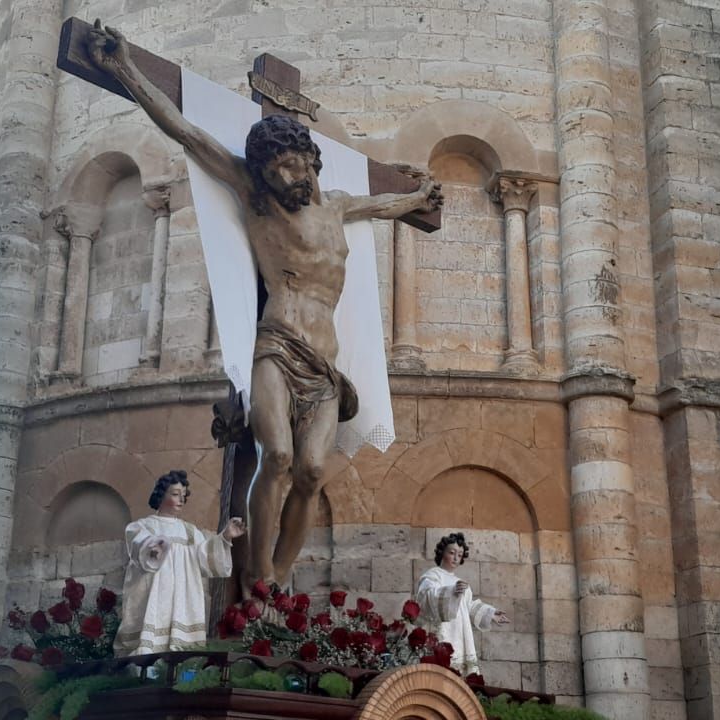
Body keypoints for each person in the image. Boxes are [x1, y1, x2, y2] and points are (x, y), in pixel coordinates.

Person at [88, 22, 442, 593]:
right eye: (273, 171)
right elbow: (187, 132)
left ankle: (276, 581)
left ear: (310, 161)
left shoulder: (340, 208)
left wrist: (421, 197)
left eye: (293, 166)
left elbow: (388, 203)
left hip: (326, 370)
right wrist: (124, 68)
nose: (284, 178)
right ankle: (255, 571)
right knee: (275, 456)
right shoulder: (258, 200)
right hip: (276, 345)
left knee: (311, 472)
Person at [113, 470, 246, 656]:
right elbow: (139, 545)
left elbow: (206, 558)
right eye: (175, 494)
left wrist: (225, 537)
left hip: (184, 596)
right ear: (161, 495)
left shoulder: (190, 532)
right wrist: (152, 548)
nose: (181, 499)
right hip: (155, 594)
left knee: (182, 651)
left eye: (183, 496)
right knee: (149, 645)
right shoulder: (144, 526)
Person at [414, 533, 509, 674]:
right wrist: (451, 592)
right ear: (442, 553)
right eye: (452, 553)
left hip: (460, 632)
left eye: (460, 554)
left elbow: (469, 606)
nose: (456, 558)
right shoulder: (433, 575)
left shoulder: (462, 584)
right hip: (443, 630)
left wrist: (490, 614)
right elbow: (426, 597)